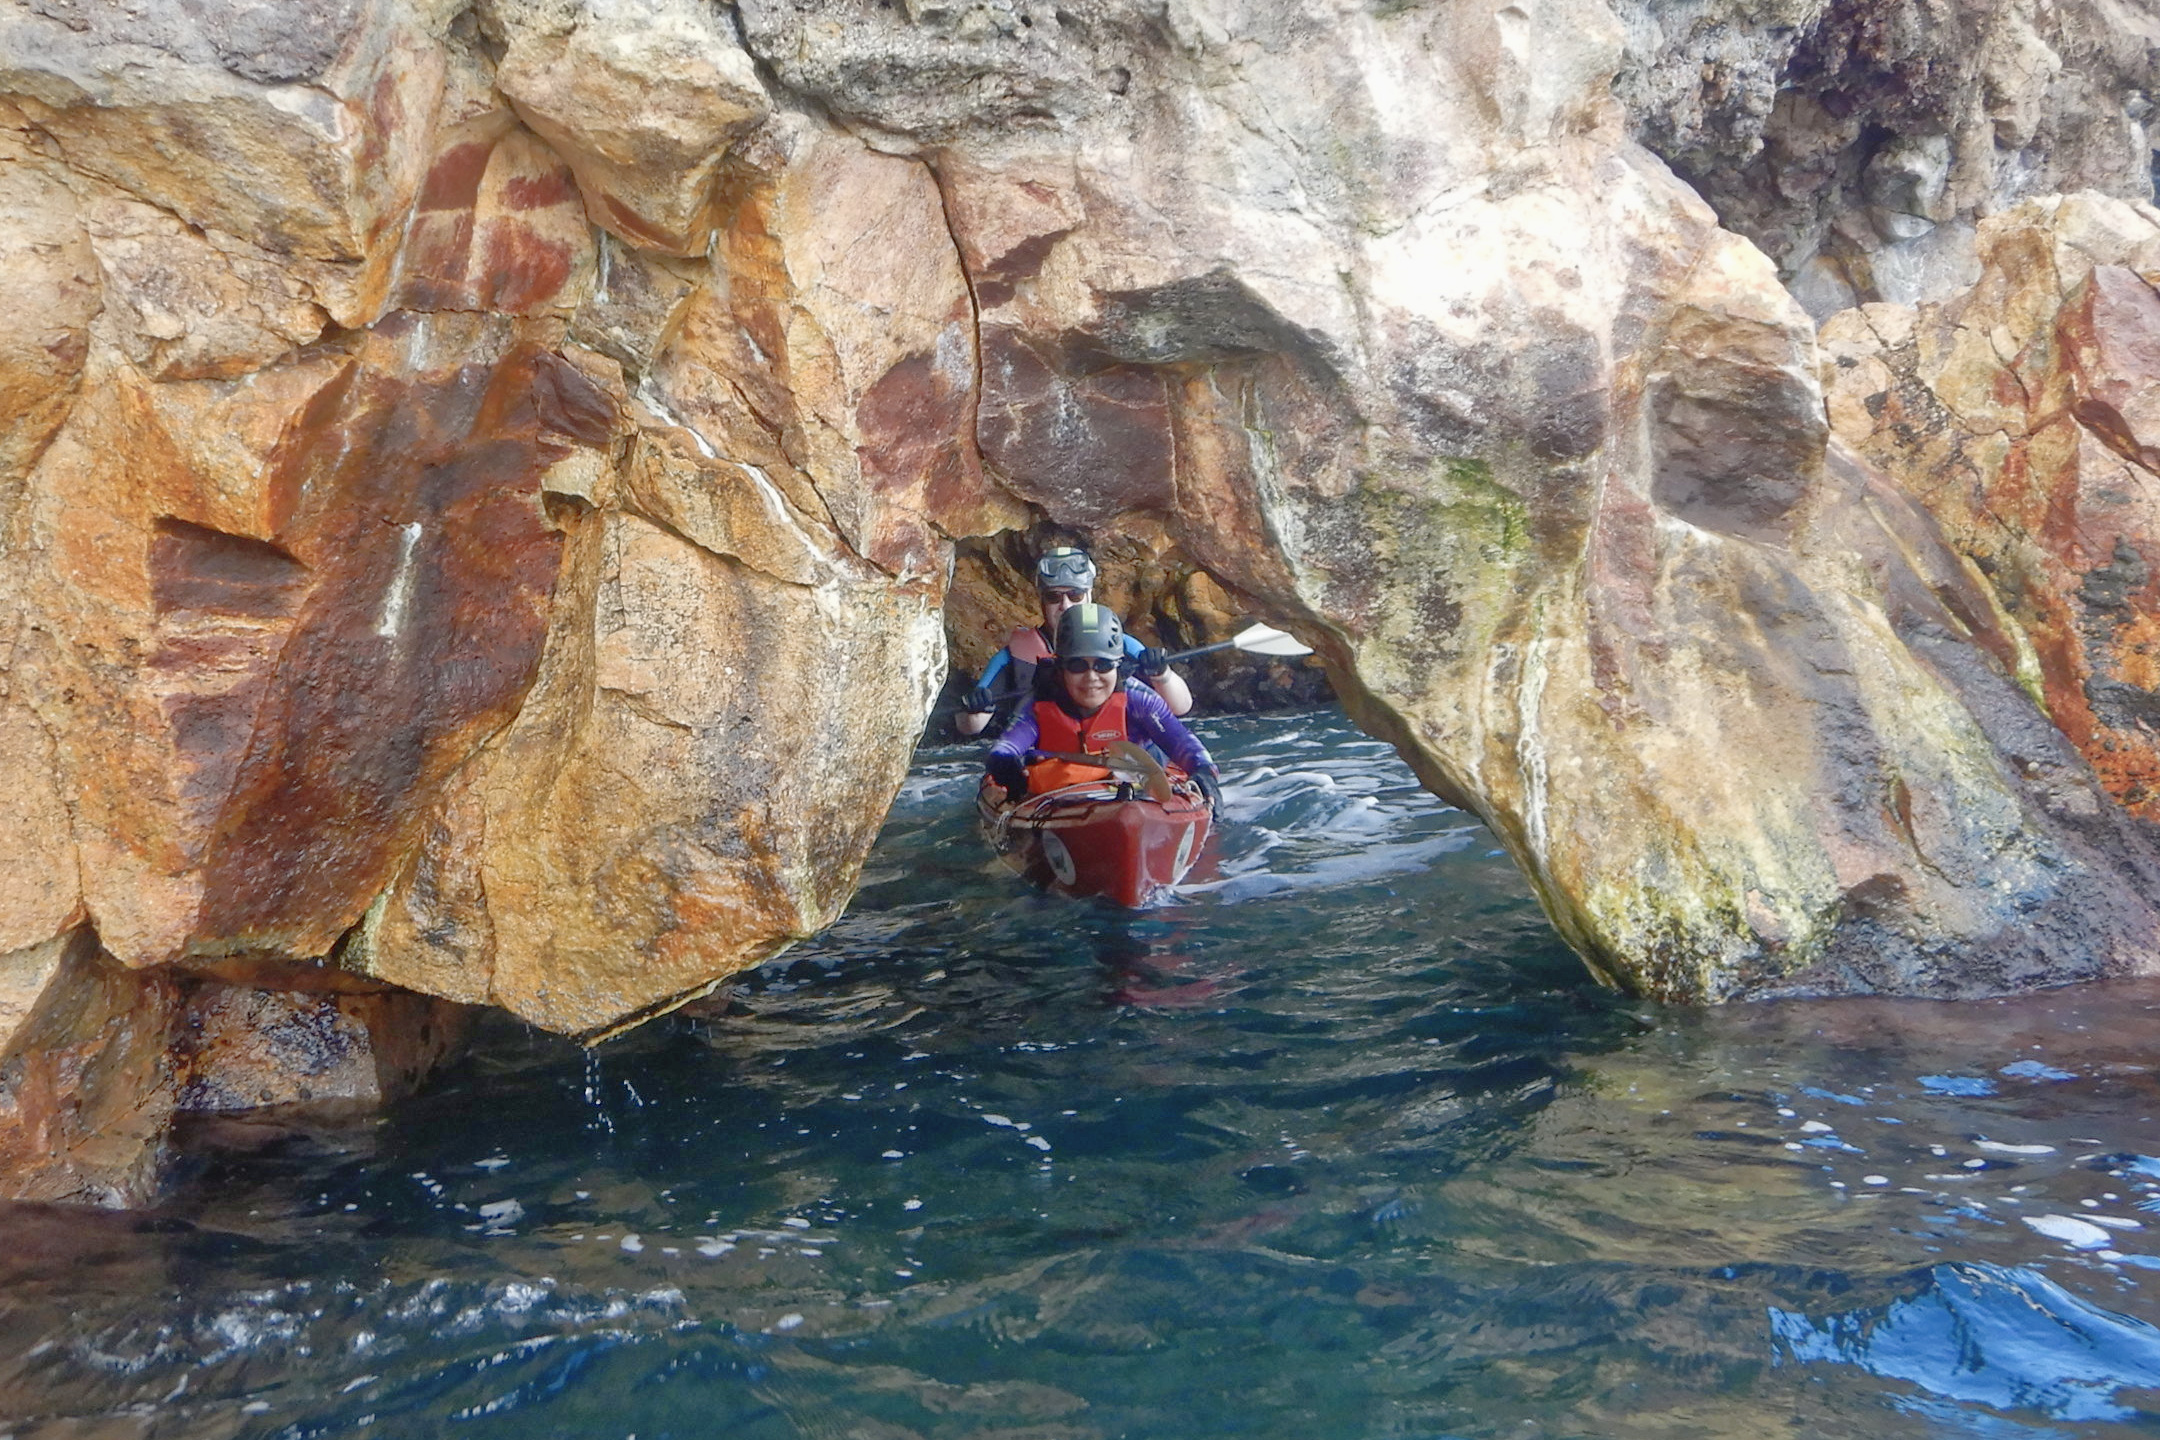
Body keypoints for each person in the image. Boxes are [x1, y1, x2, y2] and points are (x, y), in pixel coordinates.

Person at [985, 603, 1223, 810]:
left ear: (1118, 666)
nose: (1091, 677)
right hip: (1061, 796)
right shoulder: (1039, 703)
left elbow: (1183, 742)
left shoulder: (1138, 698)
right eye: (1077, 666)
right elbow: (1005, 748)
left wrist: (1204, 772)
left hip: (1136, 792)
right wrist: (1005, 768)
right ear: (1060, 668)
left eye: (1103, 665)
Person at [956, 546, 1193, 737]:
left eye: (1075, 595)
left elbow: (1181, 707)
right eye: (1053, 597)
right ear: (1041, 601)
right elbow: (970, 727)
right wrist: (975, 709)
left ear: (1089, 595)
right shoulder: (1010, 659)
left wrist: (1162, 674)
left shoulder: (1123, 646)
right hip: (1045, 753)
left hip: (1115, 749)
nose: (1065, 605)